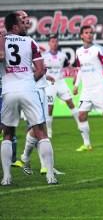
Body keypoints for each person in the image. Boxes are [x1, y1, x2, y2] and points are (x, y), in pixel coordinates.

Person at [1, 12, 57, 185]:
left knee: (8, 134)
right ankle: (50, 176)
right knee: (41, 132)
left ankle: (7, 177)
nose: (25, 25)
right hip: (28, 89)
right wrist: (27, 83)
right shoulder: (29, 42)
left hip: (9, 91)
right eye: (21, 22)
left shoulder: (2, 41)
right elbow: (40, 69)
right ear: (15, 26)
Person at [42, 34, 79, 138]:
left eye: (56, 41)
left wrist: (74, 76)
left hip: (61, 82)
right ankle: (49, 131)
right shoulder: (44, 56)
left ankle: (80, 124)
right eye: (52, 41)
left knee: (70, 103)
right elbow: (39, 68)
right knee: (50, 108)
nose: (54, 43)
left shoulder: (62, 56)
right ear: (49, 43)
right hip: (49, 84)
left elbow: (69, 66)